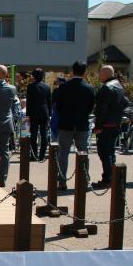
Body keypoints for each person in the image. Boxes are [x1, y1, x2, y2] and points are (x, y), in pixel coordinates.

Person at [54, 60, 95, 190]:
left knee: (63, 153)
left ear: (73, 71)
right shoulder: (89, 88)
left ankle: (62, 181)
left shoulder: (64, 87)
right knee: (83, 153)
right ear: (85, 72)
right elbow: (90, 107)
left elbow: (58, 106)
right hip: (82, 124)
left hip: (66, 124)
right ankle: (84, 180)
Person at [92, 65, 127, 188]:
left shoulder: (106, 88)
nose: (99, 75)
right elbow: (126, 102)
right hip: (116, 124)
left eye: (100, 73)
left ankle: (107, 178)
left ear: (106, 74)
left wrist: (98, 126)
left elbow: (102, 110)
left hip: (106, 125)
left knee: (104, 152)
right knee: (111, 151)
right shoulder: (119, 86)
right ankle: (113, 176)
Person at [26, 68, 52, 161]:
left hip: (34, 113)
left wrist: (28, 114)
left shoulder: (30, 87)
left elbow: (29, 102)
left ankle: (34, 155)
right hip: (44, 113)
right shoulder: (47, 87)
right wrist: (49, 113)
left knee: (33, 135)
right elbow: (49, 102)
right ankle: (42, 155)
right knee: (44, 134)